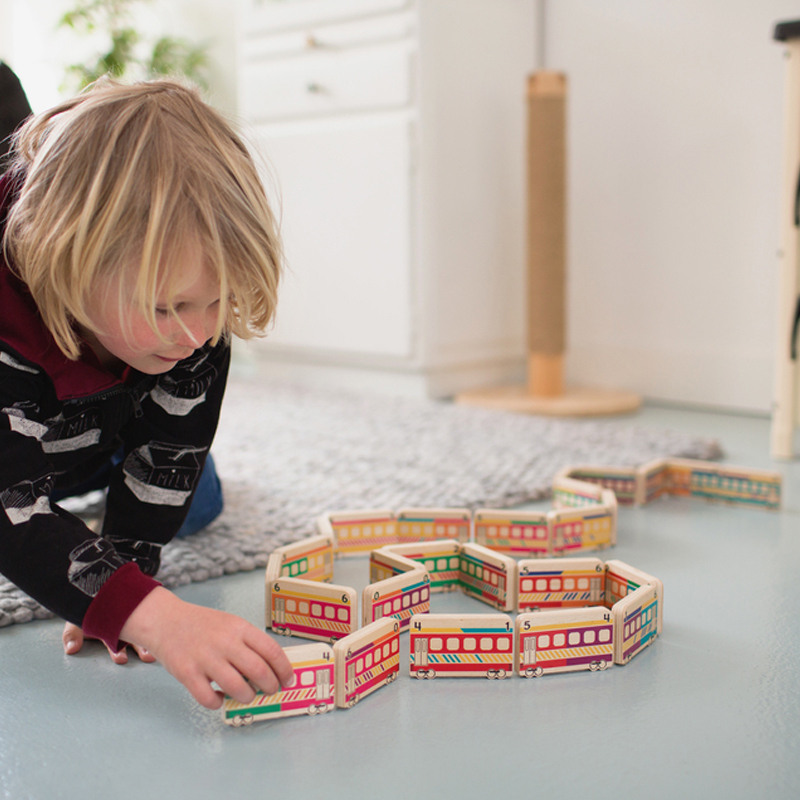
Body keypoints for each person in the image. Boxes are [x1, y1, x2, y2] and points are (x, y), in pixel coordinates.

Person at [0, 78, 294, 709]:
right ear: (68, 259)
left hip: (96, 430)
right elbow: (9, 511)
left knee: (190, 494)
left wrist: (118, 590)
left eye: (216, 301)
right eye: (167, 307)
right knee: (33, 532)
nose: (197, 332)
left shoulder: (193, 312)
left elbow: (171, 447)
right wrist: (157, 616)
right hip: (17, 429)